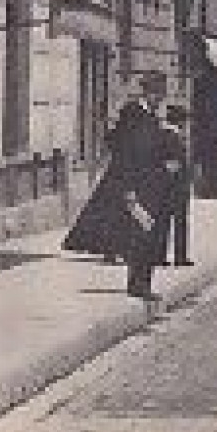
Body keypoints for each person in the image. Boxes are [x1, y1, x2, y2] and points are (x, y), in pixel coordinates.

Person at [64, 77, 170, 300]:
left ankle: (141, 283)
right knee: (140, 234)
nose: (160, 99)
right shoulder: (132, 115)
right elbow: (124, 152)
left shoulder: (150, 117)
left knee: (147, 234)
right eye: (157, 94)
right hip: (134, 184)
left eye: (161, 95)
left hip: (150, 184)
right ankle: (138, 284)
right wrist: (129, 190)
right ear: (148, 93)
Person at [154, 105, 193, 267]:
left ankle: (162, 256)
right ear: (180, 121)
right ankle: (178, 257)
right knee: (178, 222)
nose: (186, 125)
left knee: (164, 222)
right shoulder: (172, 136)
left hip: (171, 186)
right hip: (174, 186)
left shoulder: (167, 134)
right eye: (185, 120)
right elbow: (172, 162)